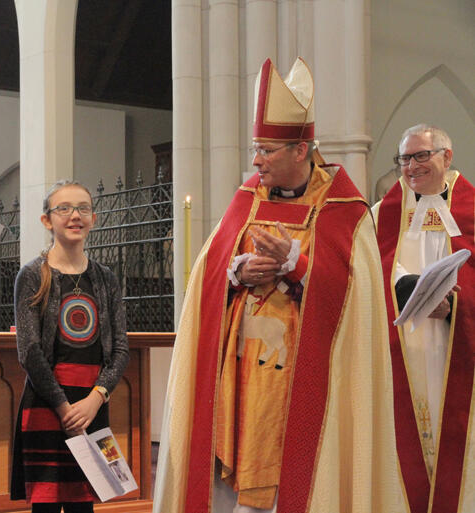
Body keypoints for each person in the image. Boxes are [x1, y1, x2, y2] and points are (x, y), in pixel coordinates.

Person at [153, 57, 405, 513]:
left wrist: (300, 266)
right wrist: (235, 274)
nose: (256, 160)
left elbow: (362, 302)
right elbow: (207, 276)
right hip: (242, 378)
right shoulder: (246, 198)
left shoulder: (345, 210)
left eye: (267, 149)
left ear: (301, 151)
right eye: (256, 147)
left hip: (304, 381)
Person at [10, 180, 129, 513]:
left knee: (84, 505)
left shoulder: (106, 278)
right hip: (48, 406)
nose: (75, 216)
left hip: (93, 405)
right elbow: (29, 351)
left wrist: (96, 398)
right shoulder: (32, 275)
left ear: (94, 218)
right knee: (46, 506)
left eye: (83, 208)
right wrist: (65, 407)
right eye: (64, 209)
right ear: (47, 220)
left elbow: (120, 349)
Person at [373, 124, 474, 513]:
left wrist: (456, 306)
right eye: (404, 158)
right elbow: (372, 274)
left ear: (446, 157)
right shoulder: (382, 215)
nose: (411, 167)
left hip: (458, 347)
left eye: (421, 156)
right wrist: (411, 292)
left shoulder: (472, 210)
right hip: (405, 349)